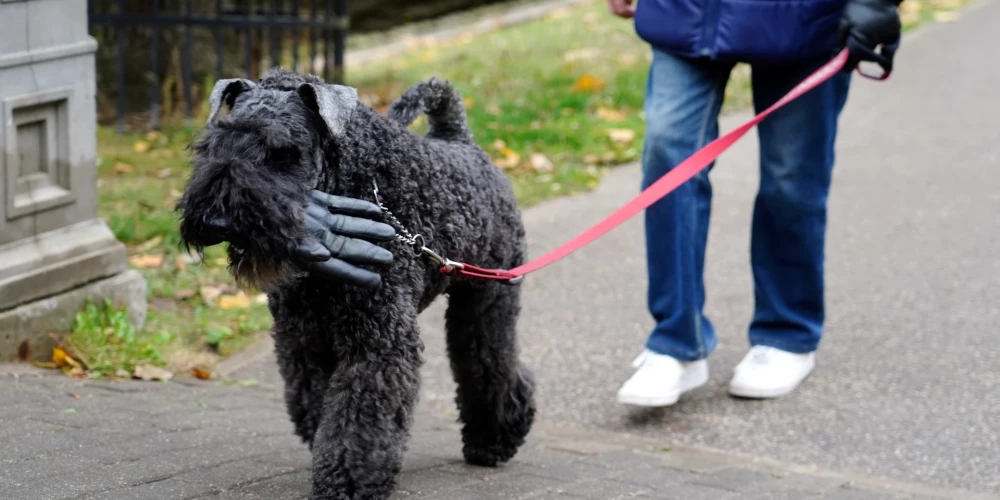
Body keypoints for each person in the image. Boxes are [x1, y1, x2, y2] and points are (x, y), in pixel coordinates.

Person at [609, 0, 902, 405]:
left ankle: (787, 336)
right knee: (668, 156)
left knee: (791, 178)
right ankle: (676, 342)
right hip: (686, 14)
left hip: (809, 21)